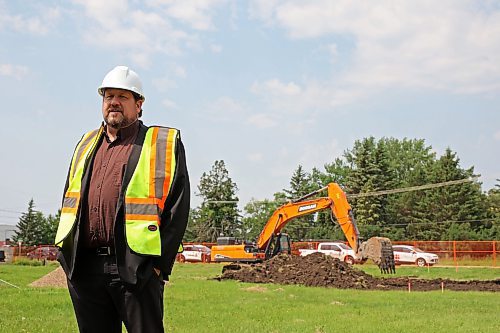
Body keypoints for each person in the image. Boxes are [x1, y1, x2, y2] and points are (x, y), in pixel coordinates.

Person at [55, 65, 190, 333]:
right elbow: (69, 198)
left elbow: (178, 207)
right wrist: (65, 255)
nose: (113, 102)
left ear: (139, 105)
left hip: (135, 268)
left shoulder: (162, 142)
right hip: (85, 268)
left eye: (123, 96)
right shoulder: (86, 143)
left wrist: (158, 268)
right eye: (108, 96)